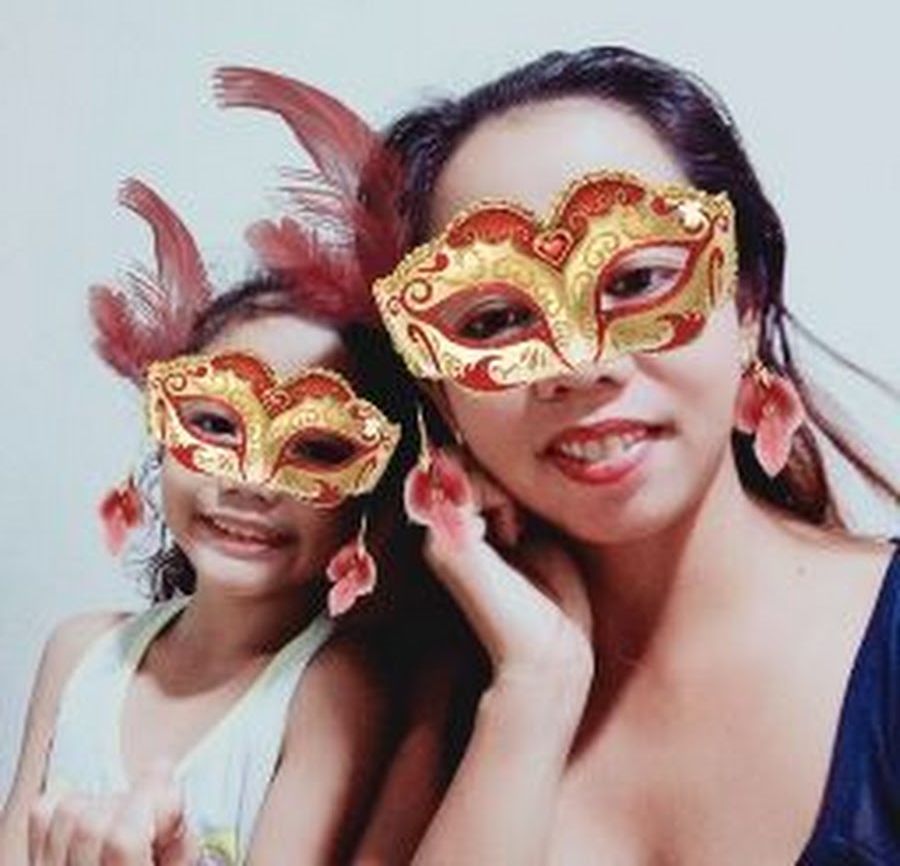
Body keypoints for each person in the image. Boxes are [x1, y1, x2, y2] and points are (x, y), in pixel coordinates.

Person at [369, 46, 900, 863]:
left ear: (745, 302)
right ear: (442, 395)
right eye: (495, 320)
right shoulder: (414, 713)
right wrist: (535, 690)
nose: (581, 365)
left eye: (636, 281)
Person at [0, 165, 412, 865]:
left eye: (317, 447)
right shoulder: (78, 653)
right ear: (163, 433)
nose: (251, 479)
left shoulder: (333, 693)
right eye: (217, 424)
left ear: (370, 491)